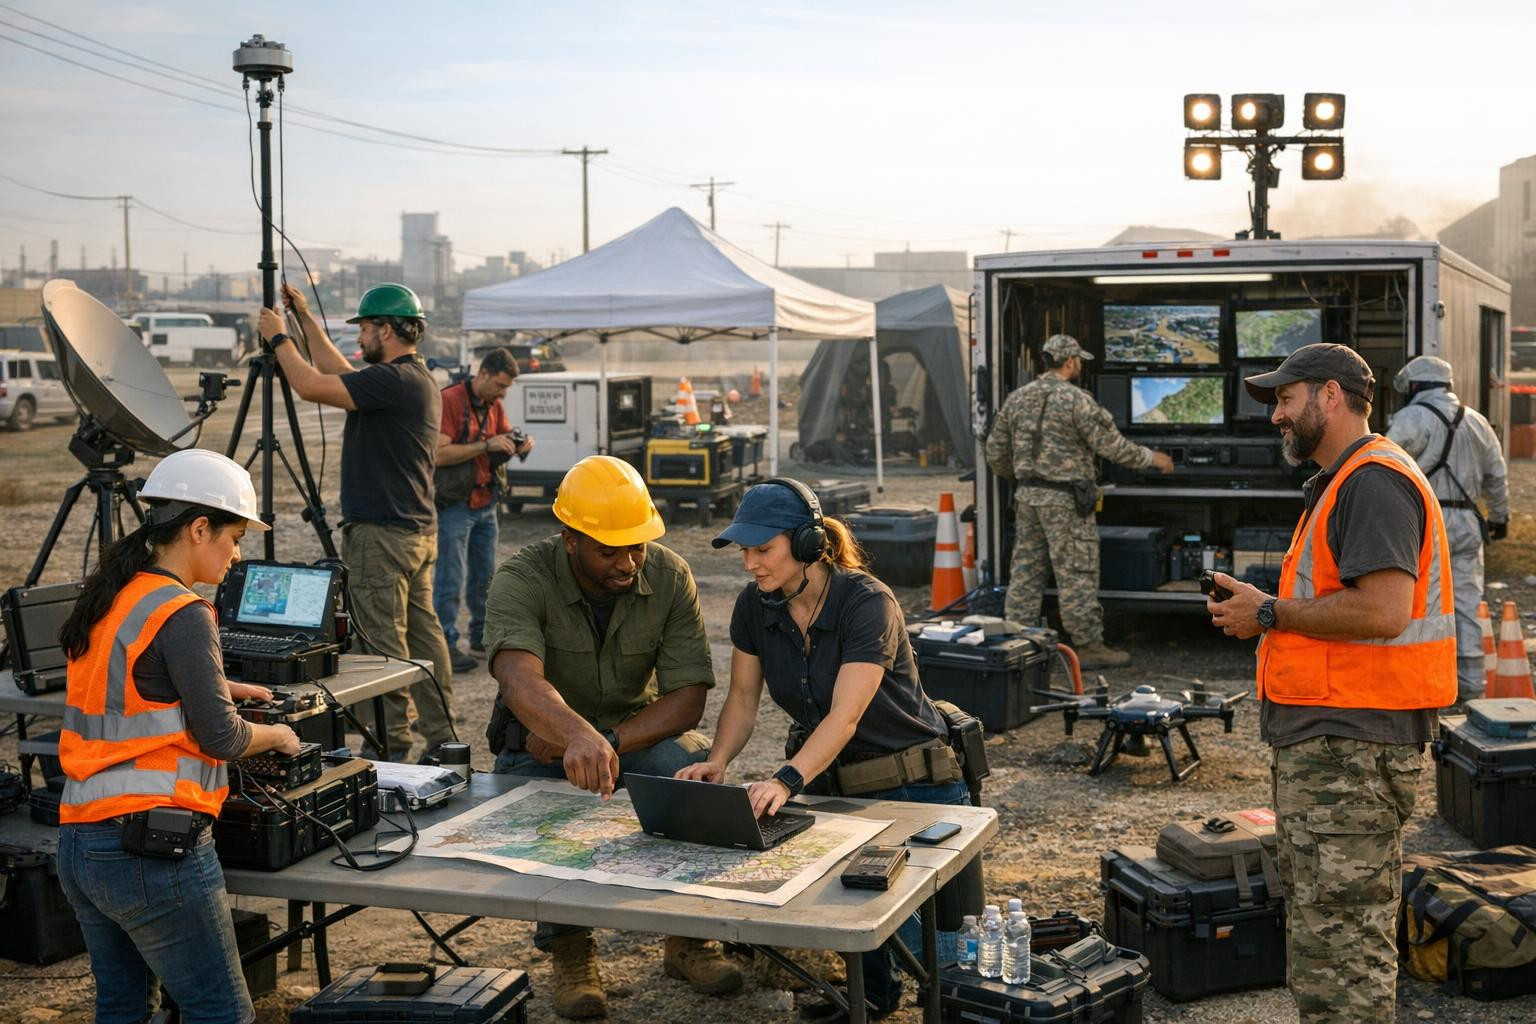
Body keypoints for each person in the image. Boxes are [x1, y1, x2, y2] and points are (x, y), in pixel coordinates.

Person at [1206, 343, 1455, 1023]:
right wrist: (1268, 608)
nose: (1277, 416)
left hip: (1353, 747)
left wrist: (1268, 611)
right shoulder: (1347, 482)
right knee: (1328, 942)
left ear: (1332, 397)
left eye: (1286, 400)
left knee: (1343, 958)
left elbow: (1382, 610)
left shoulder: (1372, 482)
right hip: (1336, 744)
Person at [678, 478, 970, 1020]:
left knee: (938, 958)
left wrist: (785, 780)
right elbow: (743, 698)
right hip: (836, 782)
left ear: (809, 544)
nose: (750, 564)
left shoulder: (868, 602)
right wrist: (717, 761)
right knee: (852, 914)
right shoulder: (754, 605)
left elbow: (846, 714)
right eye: (744, 550)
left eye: (762, 549)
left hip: (915, 787)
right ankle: (873, 1001)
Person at [481, 454, 741, 1019]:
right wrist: (572, 737)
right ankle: (571, 950)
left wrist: (605, 741)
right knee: (542, 814)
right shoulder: (521, 577)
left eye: (638, 546)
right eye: (610, 550)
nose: (628, 562)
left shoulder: (670, 576)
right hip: (542, 745)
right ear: (569, 538)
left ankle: (688, 937)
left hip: (633, 737)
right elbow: (518, 677)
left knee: (696, 781)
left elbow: (689, 698)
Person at [56, 449, 301, 1024]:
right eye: (234, 536)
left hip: (80, 843)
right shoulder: (185, 611)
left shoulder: (113, 593)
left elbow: (130, 689)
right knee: (222, 1013)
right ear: (198, 529)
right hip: (150, 847)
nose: (237, 553)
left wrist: (218, 683)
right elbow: (222, 738)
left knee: (122, 1007)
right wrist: (279, 735)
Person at [259, 282, 454, 761]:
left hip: (382, 536)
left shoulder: (392, 381)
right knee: (424, 638)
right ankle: (442, 736)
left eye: (365, 328)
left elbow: (309, 384)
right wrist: (305, 316)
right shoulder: (410, 378)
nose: (359, 338)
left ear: (386, 329)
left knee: (382, 650)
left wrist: (279, 338)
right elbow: (336, 370)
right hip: (413, 531)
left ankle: (392, 750)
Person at [983, 333, 1174, 668]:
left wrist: (1025, 477)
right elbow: (1113, 447)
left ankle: (1018, 645)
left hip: (1027, 497)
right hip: (1067, 502)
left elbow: (995, 454)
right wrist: (1153, 458)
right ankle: (1087, 646)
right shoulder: (1078, 400)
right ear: (1070, 361)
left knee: (1026, 572)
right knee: (1076, 573)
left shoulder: (1017, 398)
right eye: (1079, 361)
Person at [1385, 355, 1509, 704]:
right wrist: (1500, 518)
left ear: (1416, 387)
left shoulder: (1412, 417)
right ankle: (1471, 689)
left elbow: (1384, 464)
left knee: (1422, 604)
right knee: (1468, 603)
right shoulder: (1478, 422)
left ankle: (1421, 684)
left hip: (1424, 523)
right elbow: (1496, 477)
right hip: (1468, 523)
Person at [433, 347, 534, 674]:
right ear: (484, 374)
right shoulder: (450, 400)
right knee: (450, 576)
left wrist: (517, 445)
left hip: (486, 501)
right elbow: (437, 454)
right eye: (500, 385)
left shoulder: (494, 405)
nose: (503, 393)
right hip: (456, 505)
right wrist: (486, 445)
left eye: (507, 388)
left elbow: (499, 439)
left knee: (486, 577)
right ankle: (446, 644)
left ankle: (480, 636)